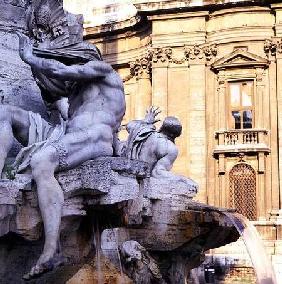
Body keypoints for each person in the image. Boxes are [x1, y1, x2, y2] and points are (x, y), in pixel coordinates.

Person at [0, 1, 125, 279]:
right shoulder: (75, 93)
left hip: (95, 139)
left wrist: (31, 58)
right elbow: (58, 97)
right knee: (6, 113)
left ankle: (51, 248)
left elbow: (67, 72)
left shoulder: (103, 71)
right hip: (67, 135)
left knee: (43, 160)